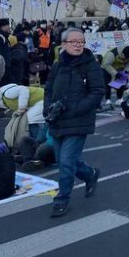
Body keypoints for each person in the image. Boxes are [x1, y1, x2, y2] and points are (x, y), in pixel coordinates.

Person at [43, 27, 105, 218]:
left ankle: (62, 200)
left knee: (66, 161)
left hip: (79, 120)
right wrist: (48, 108)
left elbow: (98, 91)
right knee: (64, 160)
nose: (78, 45)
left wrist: (78, 108)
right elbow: (48, 89)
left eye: (81, 42)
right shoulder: (57, 65)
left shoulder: (91, 65)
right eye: (74, 42)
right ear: (64, 44)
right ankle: (90, 174)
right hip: (57, 119)